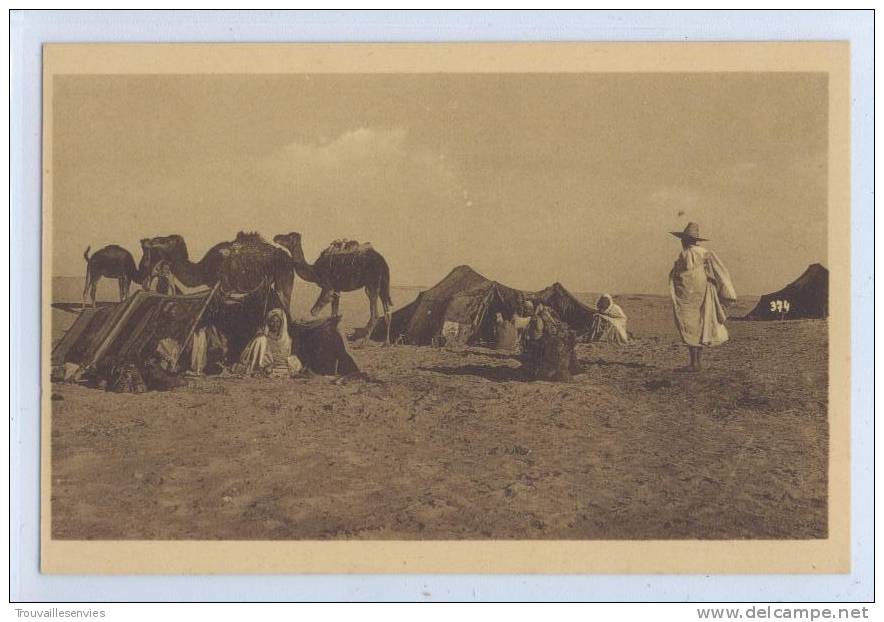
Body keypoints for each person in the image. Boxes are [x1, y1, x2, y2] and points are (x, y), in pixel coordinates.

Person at [668, 222, 737, 371]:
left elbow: (680, 274)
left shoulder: (686, 254)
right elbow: (720, 271)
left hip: (688, 296)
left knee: (689, 325)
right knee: (700, 324)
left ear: (685, 240)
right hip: (701, 293)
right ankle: (696, 362)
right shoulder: (705, 253)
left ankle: (694, 363)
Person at [233, 308, 303, 377]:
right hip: (268, 365)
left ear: (281, 323)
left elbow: (286, 355)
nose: (275, 324)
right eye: (272, 321)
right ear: (268, 323)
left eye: (277, 321)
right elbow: (261, 356)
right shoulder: (263, 338)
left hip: (282, 365)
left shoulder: (286, 339)